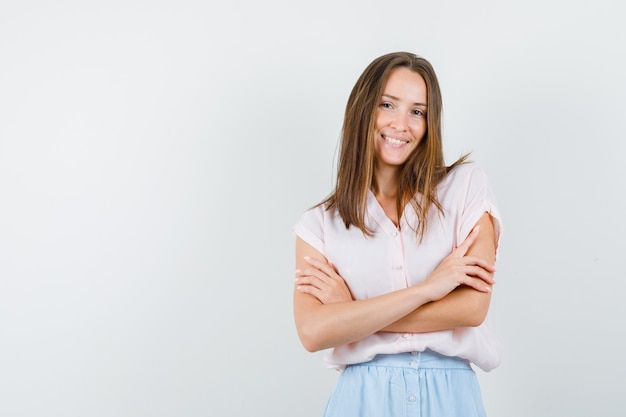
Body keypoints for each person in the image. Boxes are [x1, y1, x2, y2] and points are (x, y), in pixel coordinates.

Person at [292, 51, 503, 417]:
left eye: (417, 111)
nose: (401, 124)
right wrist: (426, 292)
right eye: (387, 105)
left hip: (451, 394)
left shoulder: (465, 188)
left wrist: (351, 316)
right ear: (363, 109)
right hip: (361, 398)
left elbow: (472, 308)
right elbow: (312, 332)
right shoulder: (319, 225)